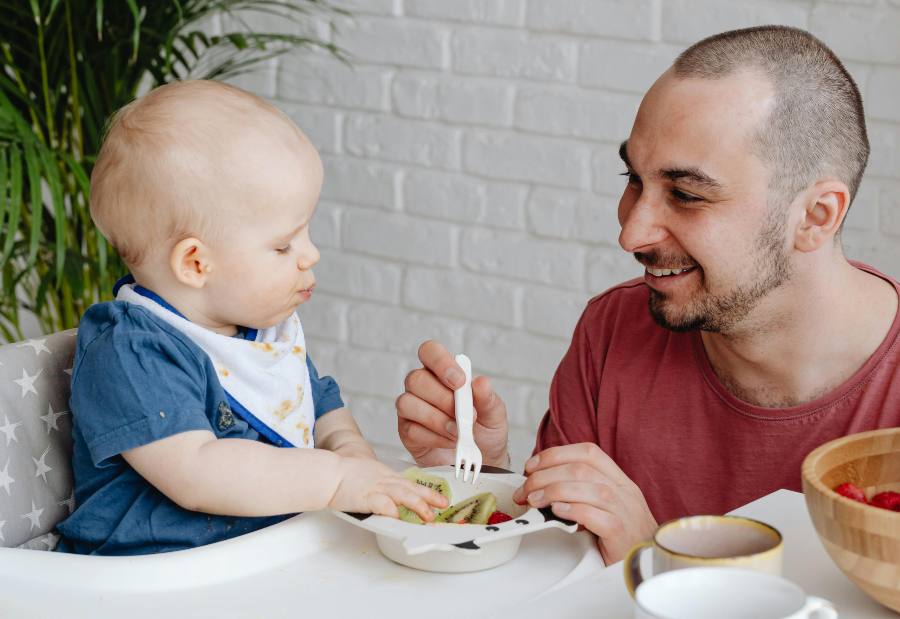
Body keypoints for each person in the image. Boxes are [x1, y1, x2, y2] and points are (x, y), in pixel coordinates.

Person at [396, 25, 900, 564]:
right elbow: (565, 576)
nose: (631, 234)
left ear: (815, 216)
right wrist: (482, 480)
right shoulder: (615, 328)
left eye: (686, 195)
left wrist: (653, 557)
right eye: (633, 178)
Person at [55, 80, 446, 556]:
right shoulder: (132, 350)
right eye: (284, 245)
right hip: (147, 576)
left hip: (261, 558)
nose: (311, 254)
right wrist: (335, 478)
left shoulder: (258, 333)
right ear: (197, 264)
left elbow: (319, 409)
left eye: (306, 233)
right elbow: (197, 471)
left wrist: (353, 458)